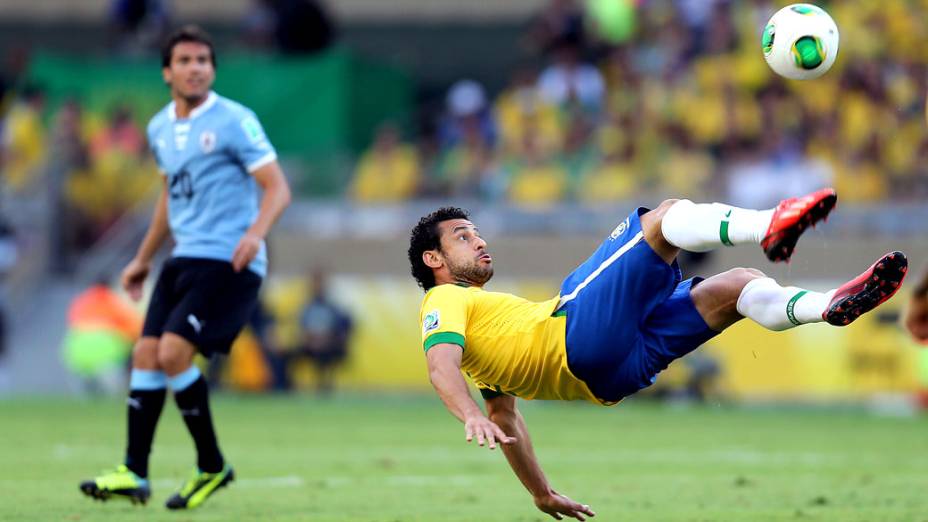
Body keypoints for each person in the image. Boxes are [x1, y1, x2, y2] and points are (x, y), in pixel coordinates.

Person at [408, 189, 907, 521]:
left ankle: (829, 306)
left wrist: (540, 492)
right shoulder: (445, 299)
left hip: (610, 379)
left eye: (476, 232)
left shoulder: (484, 331)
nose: (481, 241)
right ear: (434, 260)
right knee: (664, 217)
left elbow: (504, 414)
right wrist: (468, 414)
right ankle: (770, 225)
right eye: (463, 236)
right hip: (575, 334)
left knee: (736, 286)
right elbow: (439, 366)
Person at [79, 25, 291, 509]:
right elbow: (167, 200)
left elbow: (277, 187)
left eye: (203, 61)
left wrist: (255, 233)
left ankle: (211, 465)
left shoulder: (236, 120)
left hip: (229, 260)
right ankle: (134, 472)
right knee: (146, 356)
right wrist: (141, 259)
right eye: (186, 60)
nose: (196, 68)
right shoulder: (158, 129)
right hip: (182, 259)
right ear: (166, 72)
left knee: (174, 353)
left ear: (212, 70)